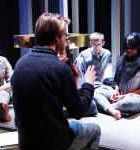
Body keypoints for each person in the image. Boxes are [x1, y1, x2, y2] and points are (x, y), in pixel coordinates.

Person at [11, 12, 101, 150]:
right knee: (95, 130)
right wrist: (88, 84)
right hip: (53, 143)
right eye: (65, 35)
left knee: (72, 125)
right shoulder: (59, 68)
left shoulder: (20, 64)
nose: (67, 40)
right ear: (56, 37)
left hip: (26, 142)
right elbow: (78, 111)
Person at [93, 32, 140, 120]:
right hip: (121, 95)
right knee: (95, 92)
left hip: (137, 98)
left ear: (138, 48)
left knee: (126, 103)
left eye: (131, 48)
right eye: (126, 48)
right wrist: (117, 90)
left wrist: (125, 96)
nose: (128, 50)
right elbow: (118, 81)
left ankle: (107, 107)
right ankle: (112, 110)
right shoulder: (123, 59)